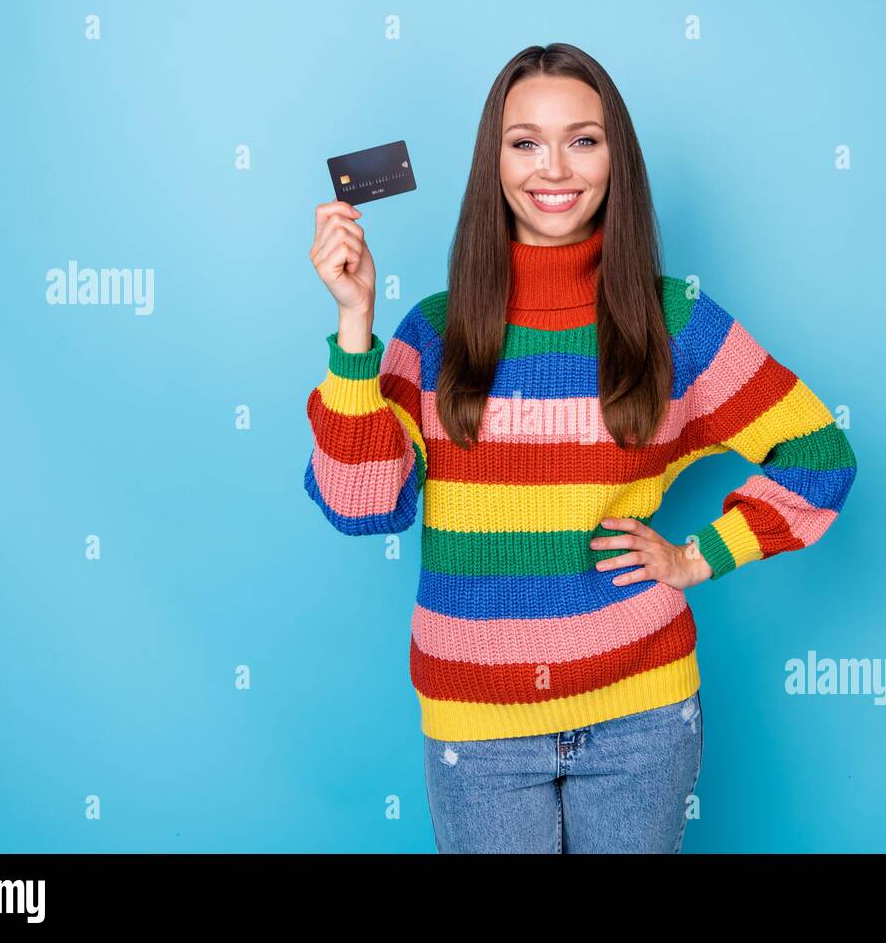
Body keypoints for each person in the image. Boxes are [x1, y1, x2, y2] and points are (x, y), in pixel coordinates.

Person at [304, 42, 857, 853]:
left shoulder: (675, 321)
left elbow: (819, 455)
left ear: (615, 159)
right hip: (478, 730)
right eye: (524, 141)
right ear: (492, 163)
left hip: (644, 720)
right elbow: (360, 506)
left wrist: (698, 556)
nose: (553, 167)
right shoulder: (435, 329)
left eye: (583, 140)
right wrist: (356, 324)